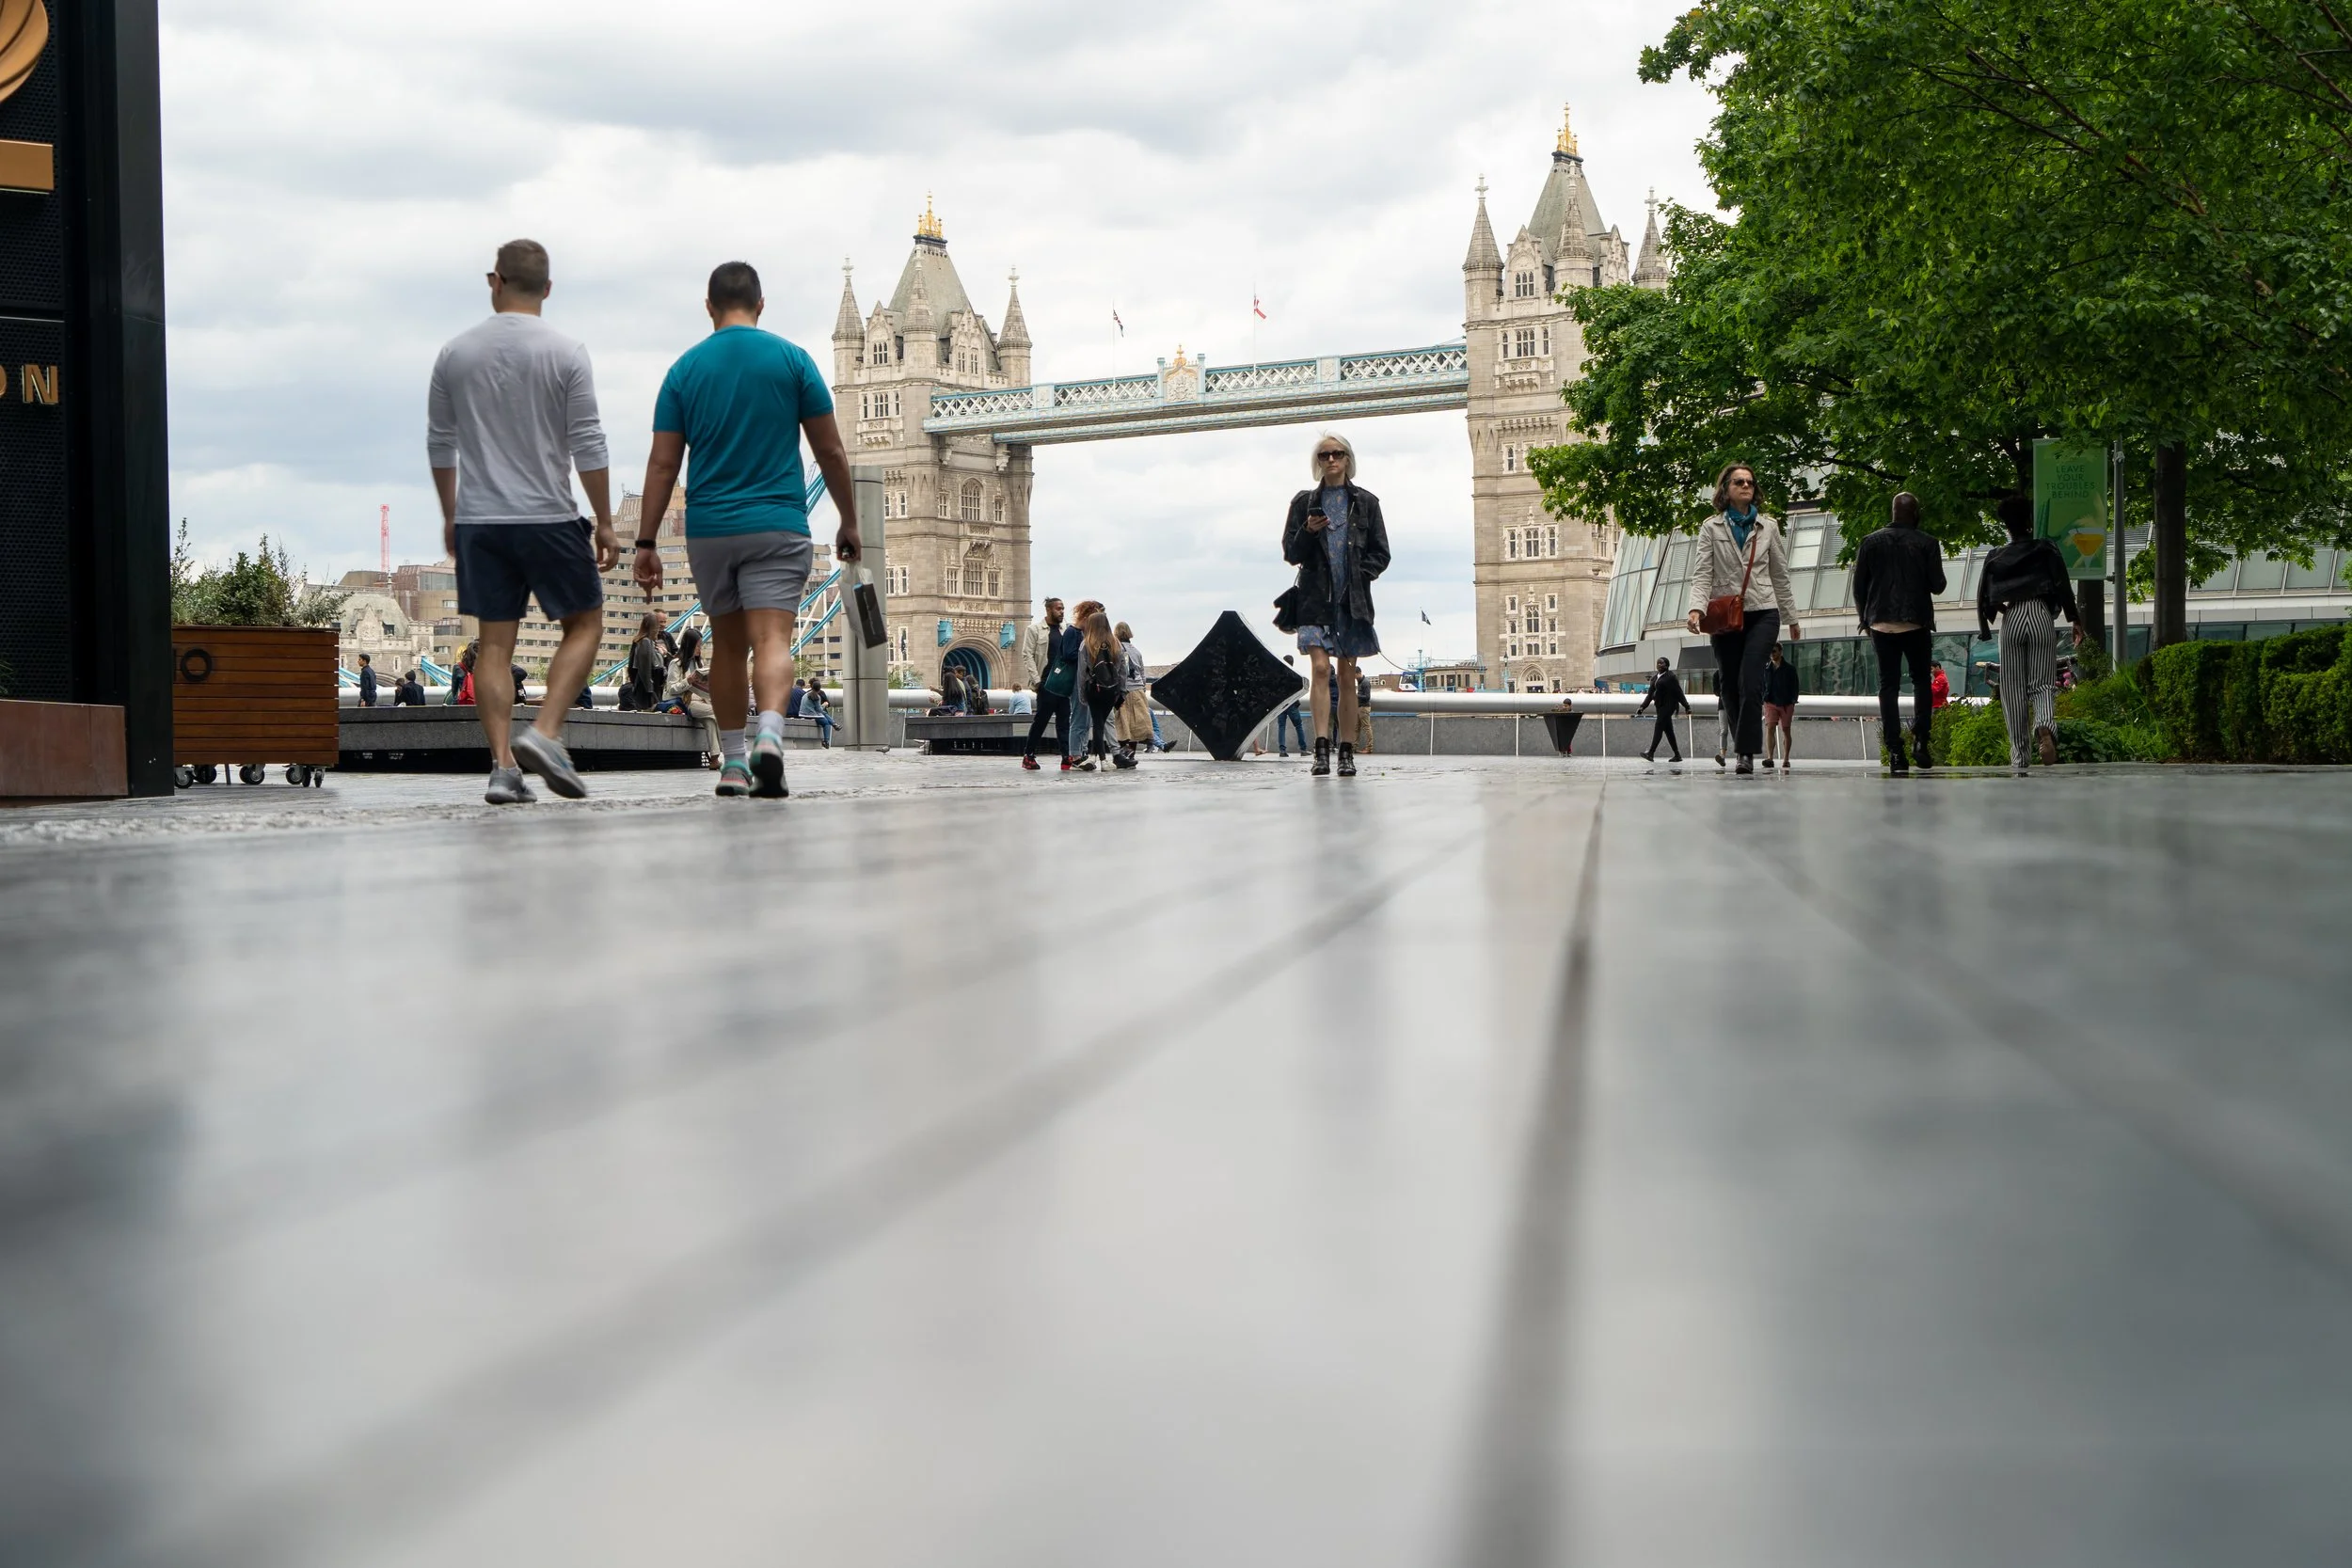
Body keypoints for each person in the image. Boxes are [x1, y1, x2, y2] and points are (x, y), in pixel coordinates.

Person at [633, 260, 861, 799]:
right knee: (773, 640)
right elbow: (829, 449)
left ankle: (734, 764)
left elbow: (663, 464)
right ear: (761, 305)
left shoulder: (684, 371)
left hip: (711, 527)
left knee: (728, 647)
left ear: (709, 307)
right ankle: (772, 738)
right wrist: (849, 519)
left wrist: (645, 543)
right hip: (778, 521)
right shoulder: (793, 361)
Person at [428, 238, 614, 804]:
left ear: (495, 281)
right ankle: (548, 733)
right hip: (549, 515)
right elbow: (588, 442)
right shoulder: (566, 352)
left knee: (493, 648)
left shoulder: (455, 354)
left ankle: (503, 767)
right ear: (549, 289)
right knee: (584, 625)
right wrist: (605, 520)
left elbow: (441, 443)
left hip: (482, 521)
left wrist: (451, 514)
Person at [1283, 433, 1391, 777]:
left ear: (1347, 459)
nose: (1331, 460)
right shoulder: (1303, 504)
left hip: (1351, 601)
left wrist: (1361, 575)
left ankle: (1346, 750)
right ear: (1318, 462)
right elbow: (1291, 554)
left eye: (1337, 454)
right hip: (1314, 599)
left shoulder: (1367, 503)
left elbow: (1381, 552)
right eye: (1324, 455)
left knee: (1346, 677)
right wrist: (1308, 531)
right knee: (1319, 670)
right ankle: (1320, 749)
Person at [1684, 463, 1800, 776]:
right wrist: (1696, 608)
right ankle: (1743, 746)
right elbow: (1702, 573)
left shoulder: (1768, 527)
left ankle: (1745, 753)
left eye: (1750, 482)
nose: (1746, 486)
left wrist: (1791, 617)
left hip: (1763, 611)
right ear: (1726, 489)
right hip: (1725, 615)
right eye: (1739, 482)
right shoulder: (1711, 527)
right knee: (1730, 686)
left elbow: (1780, 574)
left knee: (1751, 680)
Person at [1979, 492, 2082, 773]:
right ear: (2028, 521)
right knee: (2043, 684)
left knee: (2012, 690)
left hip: (2011, 617)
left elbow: (1987, 598)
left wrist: (2004, 612)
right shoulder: (2046, 548)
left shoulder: (1995, 556)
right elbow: (2062, 584)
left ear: (2006, 525)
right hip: (2039, 614)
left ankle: (2019, 757)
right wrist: (2074, 619)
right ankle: (2044, 725)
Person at [1850, 489, 1947, 776]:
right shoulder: (1927, 543)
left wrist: (1864, 620)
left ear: (1892, 513)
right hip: (1915, 621)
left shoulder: (1870, 542)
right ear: (1915, 514)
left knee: (1887, 687)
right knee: (1920, 681)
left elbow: (1859, 588)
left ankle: (1895, 752)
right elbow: (1938, 585)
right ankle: (1921, 739)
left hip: (1881, 622)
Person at [1020, 597, 1078, 770]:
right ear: (1048, 610)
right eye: (1058, 609)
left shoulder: (1066, 630)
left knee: (1064, 721)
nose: (1062, 612)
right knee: (1041, 720)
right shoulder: (1034, 630)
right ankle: (1028, 755)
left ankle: (1066, 757)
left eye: (1063, 609)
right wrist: (1037, 681)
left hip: (1063, 684)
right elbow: (1027, 654)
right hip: (1046, 682)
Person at [1077, 610, 1130, 770]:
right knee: (1100, 723)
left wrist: (1082, 693)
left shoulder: (1086, 643)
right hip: (1111, 691)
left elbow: (1082, 672)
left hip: (1093, 689)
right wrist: (1121, 692)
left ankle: (1102, 761)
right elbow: (1123, 670)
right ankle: (1094, 758)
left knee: (1098, 725)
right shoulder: (1116, 644)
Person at [1064, 599, 1108, 760]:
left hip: (1086, 679)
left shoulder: (1085, 635)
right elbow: (1068, 655)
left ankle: (1081, 752)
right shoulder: (1073, 632)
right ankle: (1075, 755)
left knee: (1086, 719)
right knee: (1078, 718)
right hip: (1078, 679)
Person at [1112, 621, 1153, 766]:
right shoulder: (1136, 651)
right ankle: (1132, 755)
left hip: (1124, 690)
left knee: (1122, 723)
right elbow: (1142, 673)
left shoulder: (1116, 649)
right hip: (1138, 690)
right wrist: (1142, 688)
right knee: (1136, 724)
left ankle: (1123, 752)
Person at [1635, 655, 1686, 762]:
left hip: (1669, 706)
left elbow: (1679, 692)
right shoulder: (1654, 678)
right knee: (1668, 731)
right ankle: (1677, 755)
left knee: (1658, 727)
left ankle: (1651, 753)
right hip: (1660, 706)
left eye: (1661, 663)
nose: (1659, 665)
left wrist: (1687, 706)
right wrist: (1642, 707)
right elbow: (1649, 695)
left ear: (1667, 665)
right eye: (1658, 663)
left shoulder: (1671, 677)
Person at [1762, 642, 1798, 769]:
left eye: (1774, 651)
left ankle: (1786, 758)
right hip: (1770, 702)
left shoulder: (1789, 669)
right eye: (1770, 652)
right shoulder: (1766, 668)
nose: (1772, 654)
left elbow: (1795, 686)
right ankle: (1770, 757)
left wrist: (1792, 700)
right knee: (1770, 728)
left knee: (1786, 730)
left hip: (1786, 703)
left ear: (1781, 652)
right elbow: (1763, 684)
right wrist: (1764, 697)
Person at [620, 613, 663, 712]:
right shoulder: (645, 642)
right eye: (656, 627)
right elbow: (645, 670)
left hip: (645, 688)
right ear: (651, 628)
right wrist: (651, 692)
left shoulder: (645, 642)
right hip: (646, 691)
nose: (658, 630)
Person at [1275, 654, 1310, 756]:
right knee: (1298, 726)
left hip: (1280, 705)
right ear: (1292, 663)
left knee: (1281, 727)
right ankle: (1303, 750)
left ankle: (1282, 750)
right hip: (1292, 704)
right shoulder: (1294, 675)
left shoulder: (1278, 675)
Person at [803, 678, 834, 748]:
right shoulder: (817, 695)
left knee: (823, 714)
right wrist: (824, 705)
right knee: (827, 723)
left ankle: (834, 724)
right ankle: (827, 740)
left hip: (804, 713)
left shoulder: (806, 693)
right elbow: (819, 709)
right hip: (812, 714)